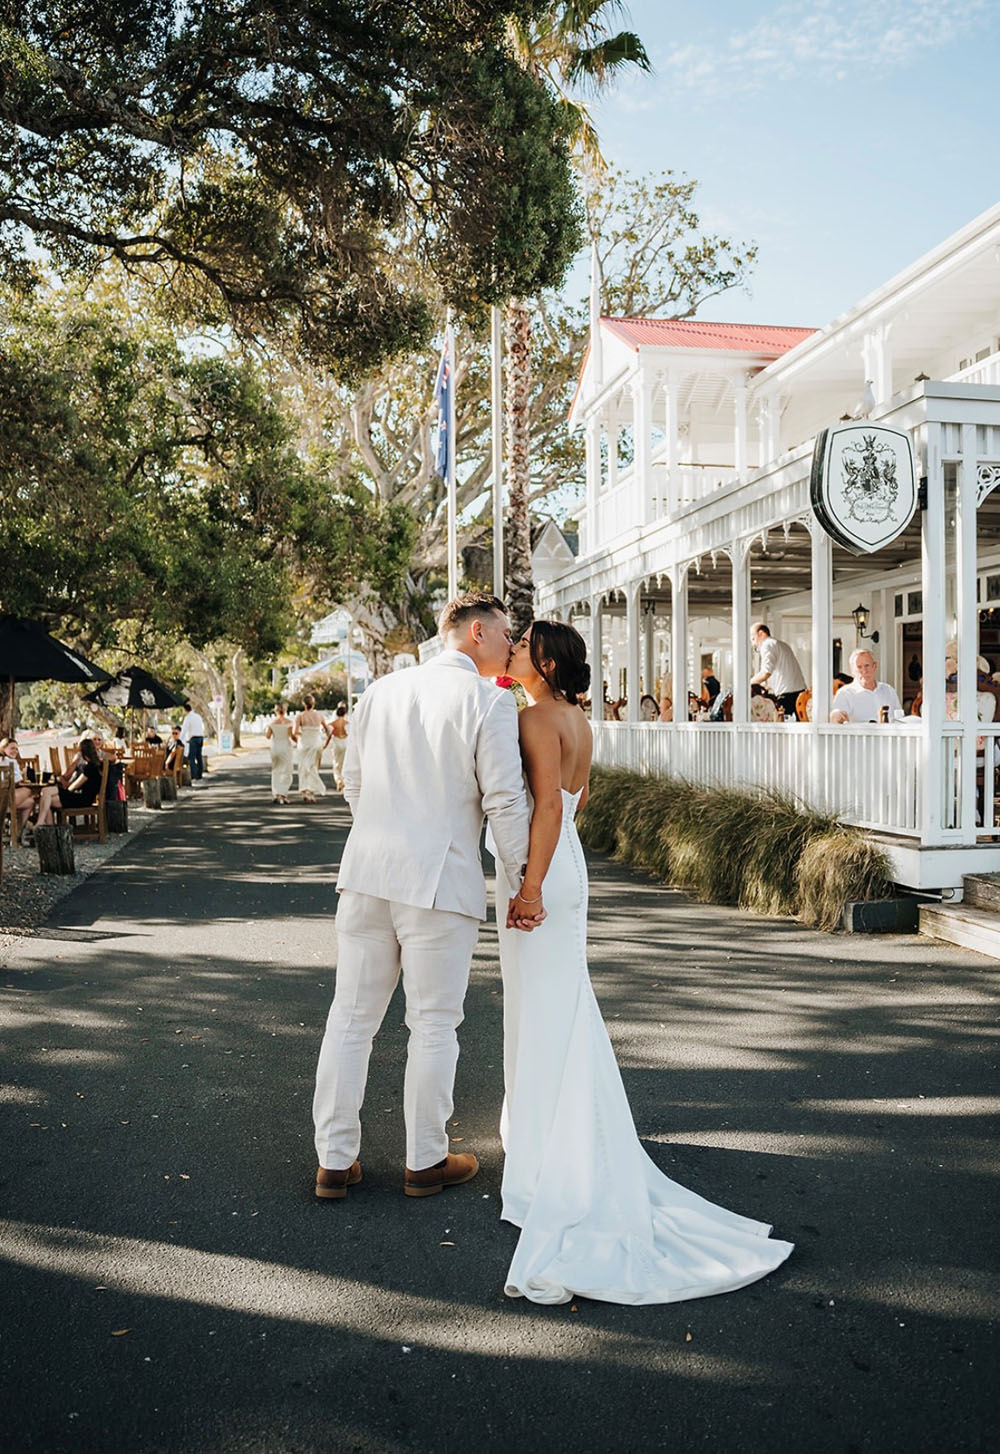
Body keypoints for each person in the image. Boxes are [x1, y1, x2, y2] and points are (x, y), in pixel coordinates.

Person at [496, 619, 793, 1305]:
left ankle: (552, 1149)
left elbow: (547, 807)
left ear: (545, 661)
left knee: (545, 1008)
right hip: (568, 864)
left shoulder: (536, 718)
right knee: (558, 1004)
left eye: (522, 645)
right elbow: (575, 804)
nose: (512, 649)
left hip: (545, 871)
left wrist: (530, 886)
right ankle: (547, 1132)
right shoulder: (576, 719)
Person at [312, 592, 532, 1200]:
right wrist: (524, 882)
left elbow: (352, 784)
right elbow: (505, 801)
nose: (512, 646)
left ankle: (334, 1161)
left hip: (366, 873)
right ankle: (425, 1160)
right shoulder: (489, 700)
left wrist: (384, 835)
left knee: (350, 1019)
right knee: (434, 1023)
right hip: (438, 880)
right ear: (478, 632)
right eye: (507, 635)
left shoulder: (380, 691)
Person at [35, 738, 103, 826]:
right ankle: (46, 826)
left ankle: (42, 825)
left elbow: (73, 787)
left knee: (46, 793)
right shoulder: (97, 765)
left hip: (82, 799)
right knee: (46, 797)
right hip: (83, 797)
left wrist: (64, 787)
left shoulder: (90, 767)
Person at [750, 623, 806, 720]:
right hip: (800, 694)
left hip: (787, 696)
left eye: (753, 639)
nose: (754, 644)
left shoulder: (767, 644)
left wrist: (749, 683)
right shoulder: (781, 644)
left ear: (761, 634)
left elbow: (766, 672)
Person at [830, 649, 902, 723]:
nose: (864, 671)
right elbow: (836, 718)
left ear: (875, 666)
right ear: (852, 670)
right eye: (859, 667)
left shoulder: (889, 691)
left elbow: (900, 720)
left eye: (867, 666)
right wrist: (836, 716)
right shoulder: (845, 694)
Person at [1, 737, 38, 842]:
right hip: (5, 800)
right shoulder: (11, 762)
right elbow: (17, 781)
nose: (15, 751)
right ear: (3, 748)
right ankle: (17, 833)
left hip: (4, 797)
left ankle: (15, 832)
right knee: (28, 791)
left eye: (17, 749)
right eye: (12, 748)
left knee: (30, 802)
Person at [295, 694, 329, 803]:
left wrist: (304, 734)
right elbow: (328, 730)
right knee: (313, 767)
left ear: (304, 704)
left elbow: (295, 731)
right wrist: (325, 741)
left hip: (304, 743)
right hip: (316, 743)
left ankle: (304, 791)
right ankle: (312, 792)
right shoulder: (319, 716)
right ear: (313, 704)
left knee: (303, 767)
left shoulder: (300, 716)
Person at [266, 702, 296, 804]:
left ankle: (276, 793)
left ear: (276, 710)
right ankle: (283, 794)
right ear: (285, 710)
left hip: (275, 747)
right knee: (287, 771)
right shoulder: (289, 722)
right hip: (285, 747)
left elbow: (267, 736)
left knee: (276, 770)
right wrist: (298, 741)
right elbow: (291, 736)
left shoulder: (272, 722)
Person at [180, 702, 206, 783]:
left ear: (185, 710)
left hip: (193, 739)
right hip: (200, 737)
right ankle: (199, 775)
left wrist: (180, 739)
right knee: (199, 757)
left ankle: (193, 776)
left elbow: (184, 730)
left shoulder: (188, 718)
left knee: (192, 758)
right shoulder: (198, 716)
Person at [329, 703, 349, 790]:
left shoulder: (333, 724)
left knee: (336, 762)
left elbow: (328, 733)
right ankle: (343, 780)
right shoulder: (347, 723)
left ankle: (338, 780)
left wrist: (325, 745)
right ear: (345, 714)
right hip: (345, 742)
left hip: (336, 743)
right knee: (345, 762)